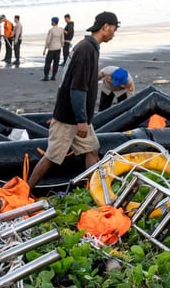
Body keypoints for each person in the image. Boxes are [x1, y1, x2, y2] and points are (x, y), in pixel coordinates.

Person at [28, 11, 120, 191]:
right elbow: (77, 88)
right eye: (114, 29)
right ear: (105, 27)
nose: (114, 34)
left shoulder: (89, 47)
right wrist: (81, 120)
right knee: (52, 156)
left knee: (92, 149)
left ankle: (96, 190)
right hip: (69, 117)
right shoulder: (86, 49)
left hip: (78, 116)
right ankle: (26, 191)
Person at [42, 16, 64, 81]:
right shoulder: (61, 30)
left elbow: (48, 40)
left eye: (51, 21)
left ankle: (46, 76)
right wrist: (61, 46)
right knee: (56, 63)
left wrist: (45, 49)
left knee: (48, 62)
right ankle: (53, 76)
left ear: (53, 22)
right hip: (58, 48)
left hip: (51, 48)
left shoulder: (51, 30)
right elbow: (62, 40)